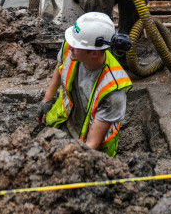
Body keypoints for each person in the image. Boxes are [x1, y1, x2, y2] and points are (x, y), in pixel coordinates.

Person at [36, 12, 132, 157]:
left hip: (93, 150)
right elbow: (61, 64)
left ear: (94, 53)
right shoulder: (74, 45)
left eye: (75, 46)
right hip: (66, 125)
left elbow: (92, 144)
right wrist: (47, 99)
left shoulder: (113, 90)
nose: (69, 48)